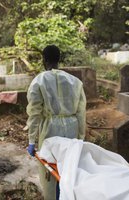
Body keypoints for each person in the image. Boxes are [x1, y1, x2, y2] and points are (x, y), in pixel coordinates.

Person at [26, 45, 86, 200]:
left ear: (44, 60)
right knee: (69, 168)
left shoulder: (39, 81)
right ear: (59, 59)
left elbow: (34, 114)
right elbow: (81, 113)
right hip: (72, 129)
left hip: (50, 131)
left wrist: (31, 140)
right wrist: (80, 138)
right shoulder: (75, 82)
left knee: (50, 171)